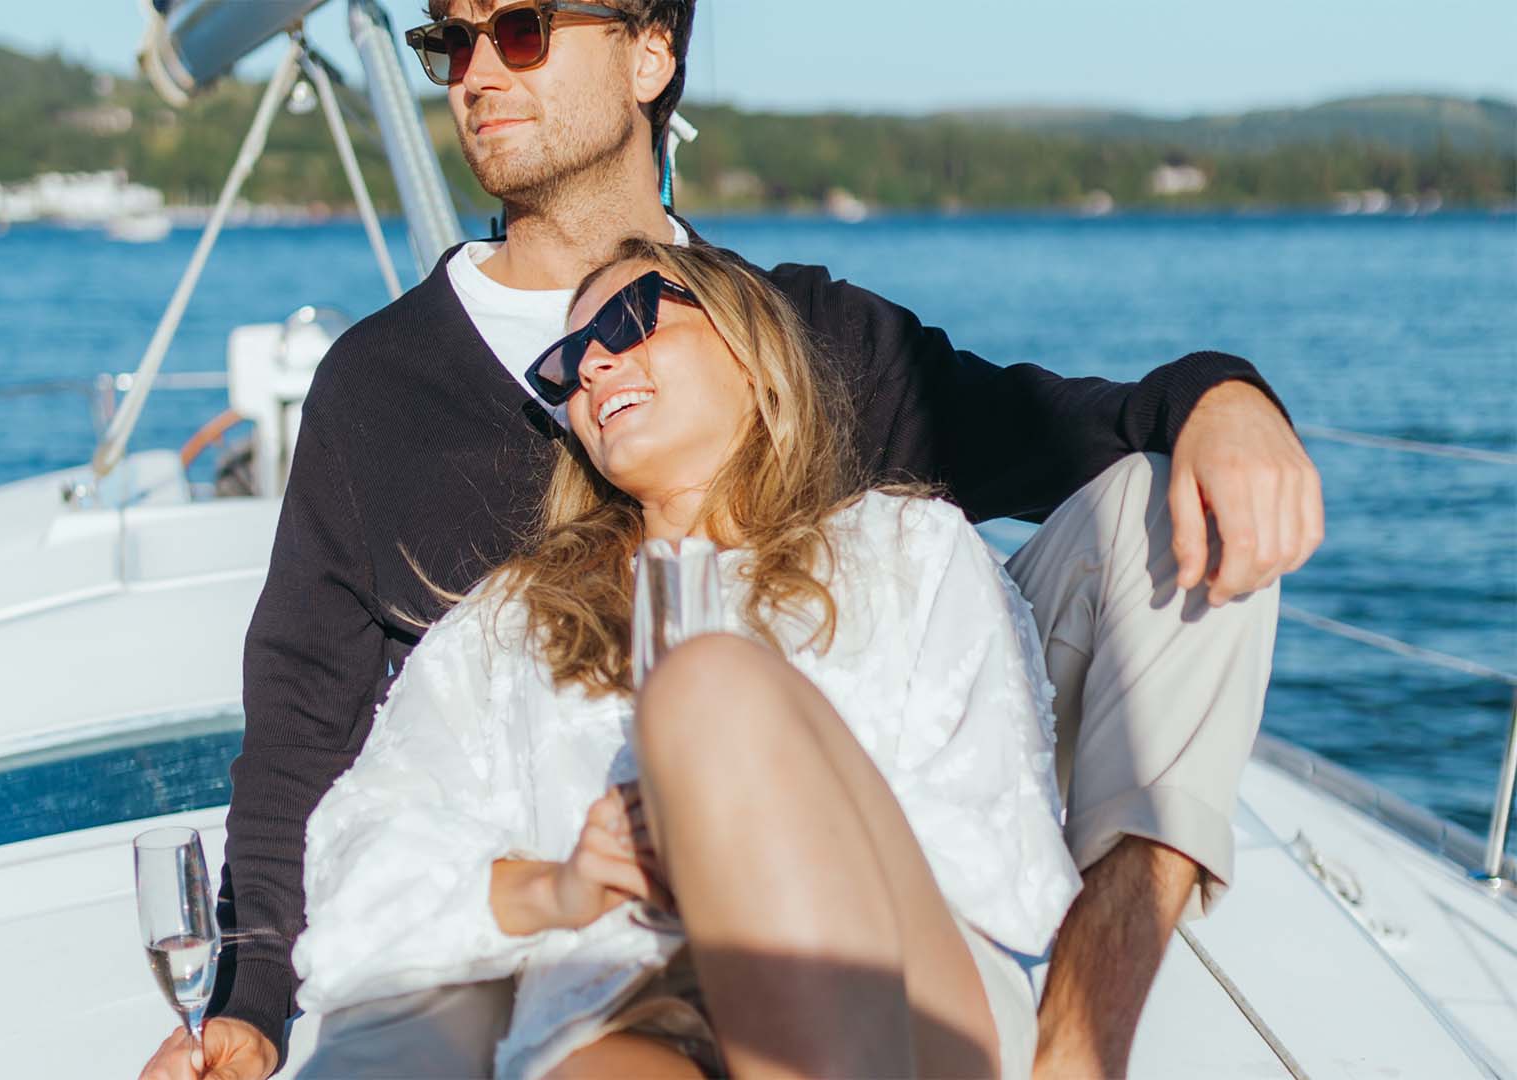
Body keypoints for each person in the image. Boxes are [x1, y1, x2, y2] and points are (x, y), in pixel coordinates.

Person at [137, 0, 1322, 1077]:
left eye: (524, 28)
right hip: (560, 898)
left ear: (651, 53)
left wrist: (1219, 395)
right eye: (449, 41)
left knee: (1171, 513)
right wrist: (252, 1004)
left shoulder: (812, 343)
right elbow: (303, 724)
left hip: (851, 871)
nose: (477, 72)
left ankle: (1076, 1054)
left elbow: (1050, 426)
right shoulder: (380, 393)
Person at [295, 237, 1083, 1080]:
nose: (593, 367)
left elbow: (995, 838)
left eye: (629, 319)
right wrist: (559, 886)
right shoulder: (515, 622)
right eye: (564, 366)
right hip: (632, 997)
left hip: (890, 977)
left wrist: (742, 835)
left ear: (752, 352)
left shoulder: (903, 548)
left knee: (708, 689)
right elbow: (358, 858)